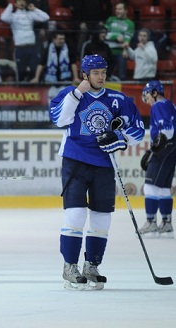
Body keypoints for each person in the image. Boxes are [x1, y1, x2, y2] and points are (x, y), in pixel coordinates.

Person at [49, 54, 145, 290]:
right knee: (76, 215)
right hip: (75, 161)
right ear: (85, 75)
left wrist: (120, 137)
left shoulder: (118, 99)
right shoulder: (71, 95)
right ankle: (70, 266)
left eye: (103, 72)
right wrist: (77, 93)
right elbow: (59, 119)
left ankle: (92, 265)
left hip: (104, 164)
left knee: (102, 218)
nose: (101, 76)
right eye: (96, 73)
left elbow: (139, 132)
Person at [138, 80, 176, 239]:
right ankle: (166, 222)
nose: (146, 100)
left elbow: (167, 129)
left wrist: (153, 150)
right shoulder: (169, 105)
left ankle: (151, 221)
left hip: (164, 148)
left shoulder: (159, 105)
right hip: (171, 148)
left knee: (150, 186)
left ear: (154, 92)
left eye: (147, 95)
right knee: (163, 188)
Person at [0, 0, 49, 82]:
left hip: (32, 46)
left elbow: (46, 17)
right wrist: (10, 6)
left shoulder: (30, 14)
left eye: (23, 1)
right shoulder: (13, 16)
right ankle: (20, 90)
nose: (21, 3)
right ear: (16, 3)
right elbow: (3, 18)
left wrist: (35, 9)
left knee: (34, 69)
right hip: (20, 47)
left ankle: (34, 91)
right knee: (20, 71)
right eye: (19, 1)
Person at [105, 2, 135, 81]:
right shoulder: (110, 20)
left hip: (120, 52)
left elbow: (127, 40)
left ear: (126, 11)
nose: (117, 11)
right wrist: (116, 36)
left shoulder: (130, 23)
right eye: (116, 9)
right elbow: (104, 34)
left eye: (120, 9)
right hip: (108, 51)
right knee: (104, 74)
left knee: (122, 76)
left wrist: (125, 49)